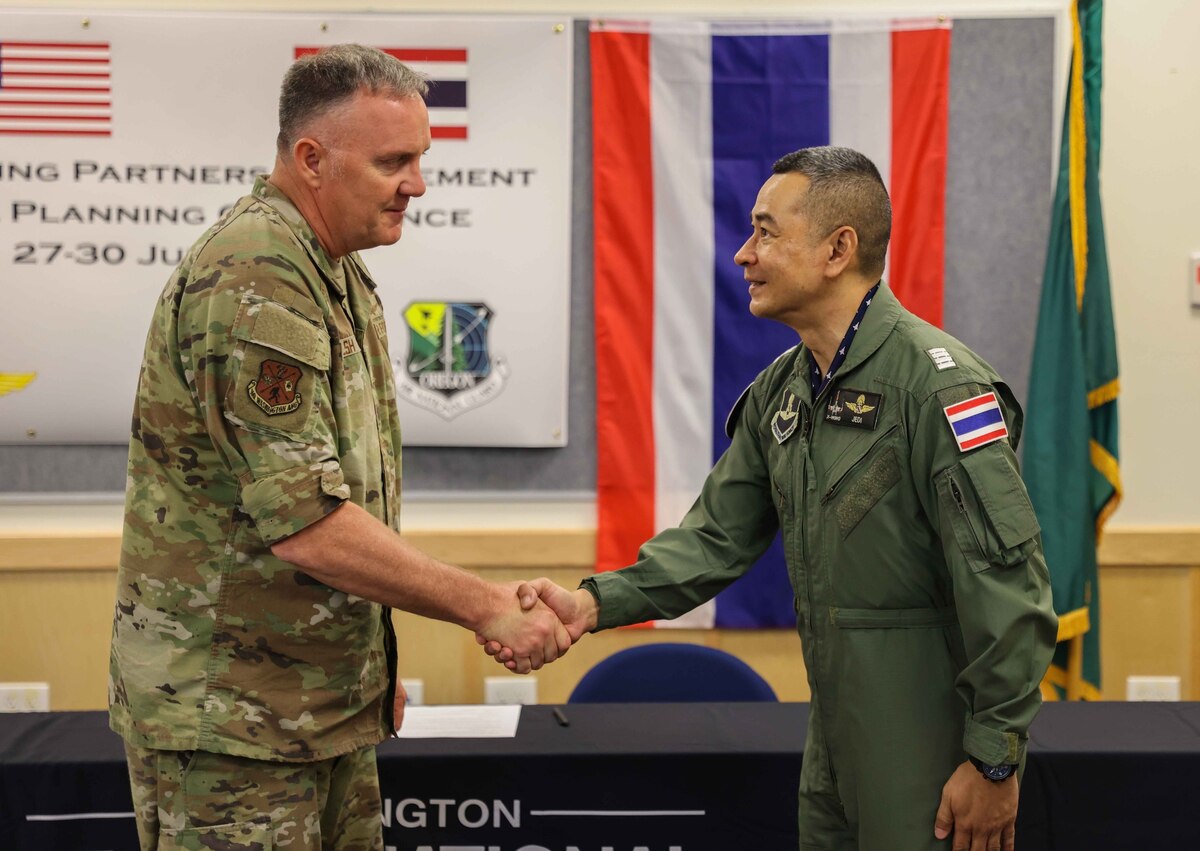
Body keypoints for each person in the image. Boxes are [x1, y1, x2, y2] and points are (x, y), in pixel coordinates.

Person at [488, 146, 1057, 851]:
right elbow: (714, 540)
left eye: (765, 231)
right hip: (833, 739)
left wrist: (994, 756)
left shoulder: (940, 388)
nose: (742, 254)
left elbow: (1008, 587)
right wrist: (592, 601)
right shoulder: (783, 391)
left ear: (837, 249)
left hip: (930, 746)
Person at [109, 44, 568, 851]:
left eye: (421, 158)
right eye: (394, 160)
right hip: (233, 728)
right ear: (311, 159)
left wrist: (366, 673)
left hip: (312, 707)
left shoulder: (332, 266)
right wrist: (485, 604)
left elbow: (345, 501)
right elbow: (307, 522)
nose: (417, 183)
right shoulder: (257, 274)